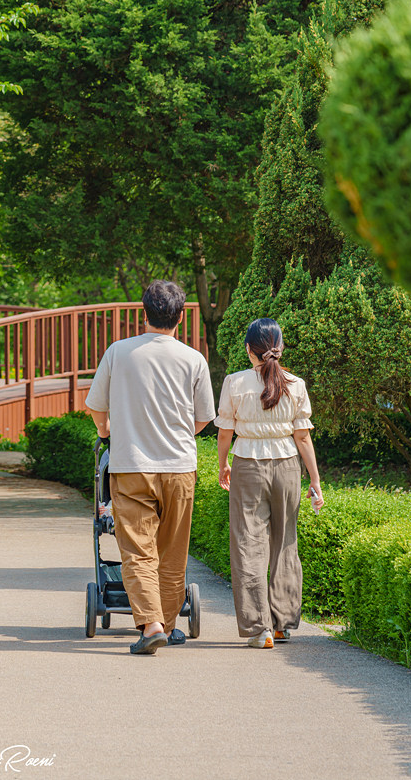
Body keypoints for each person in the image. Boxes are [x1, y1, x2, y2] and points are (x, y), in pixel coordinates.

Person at [85, 280, 215, 655]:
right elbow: (204, 418)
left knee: (138, 551)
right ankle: (168, 625)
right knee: (172, 553)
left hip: (131, 467)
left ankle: (152, 623)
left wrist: (106, 430)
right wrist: (176, 434)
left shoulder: (118, 352)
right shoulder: (194, 359)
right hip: (179, 467)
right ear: (180, 315)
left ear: (145, 313)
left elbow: (96, 405)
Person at [216, 318, 324, 649]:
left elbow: (225, 432)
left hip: (248, 464)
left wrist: (222, 464)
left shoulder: (234, 383)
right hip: (289, 466)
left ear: (249, 349)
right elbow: (302, 437)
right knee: (285, 541)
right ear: (281, 347)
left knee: (249, 543)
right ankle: (283, 624)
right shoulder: (296, 384)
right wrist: (315, 480)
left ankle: (258, 628)